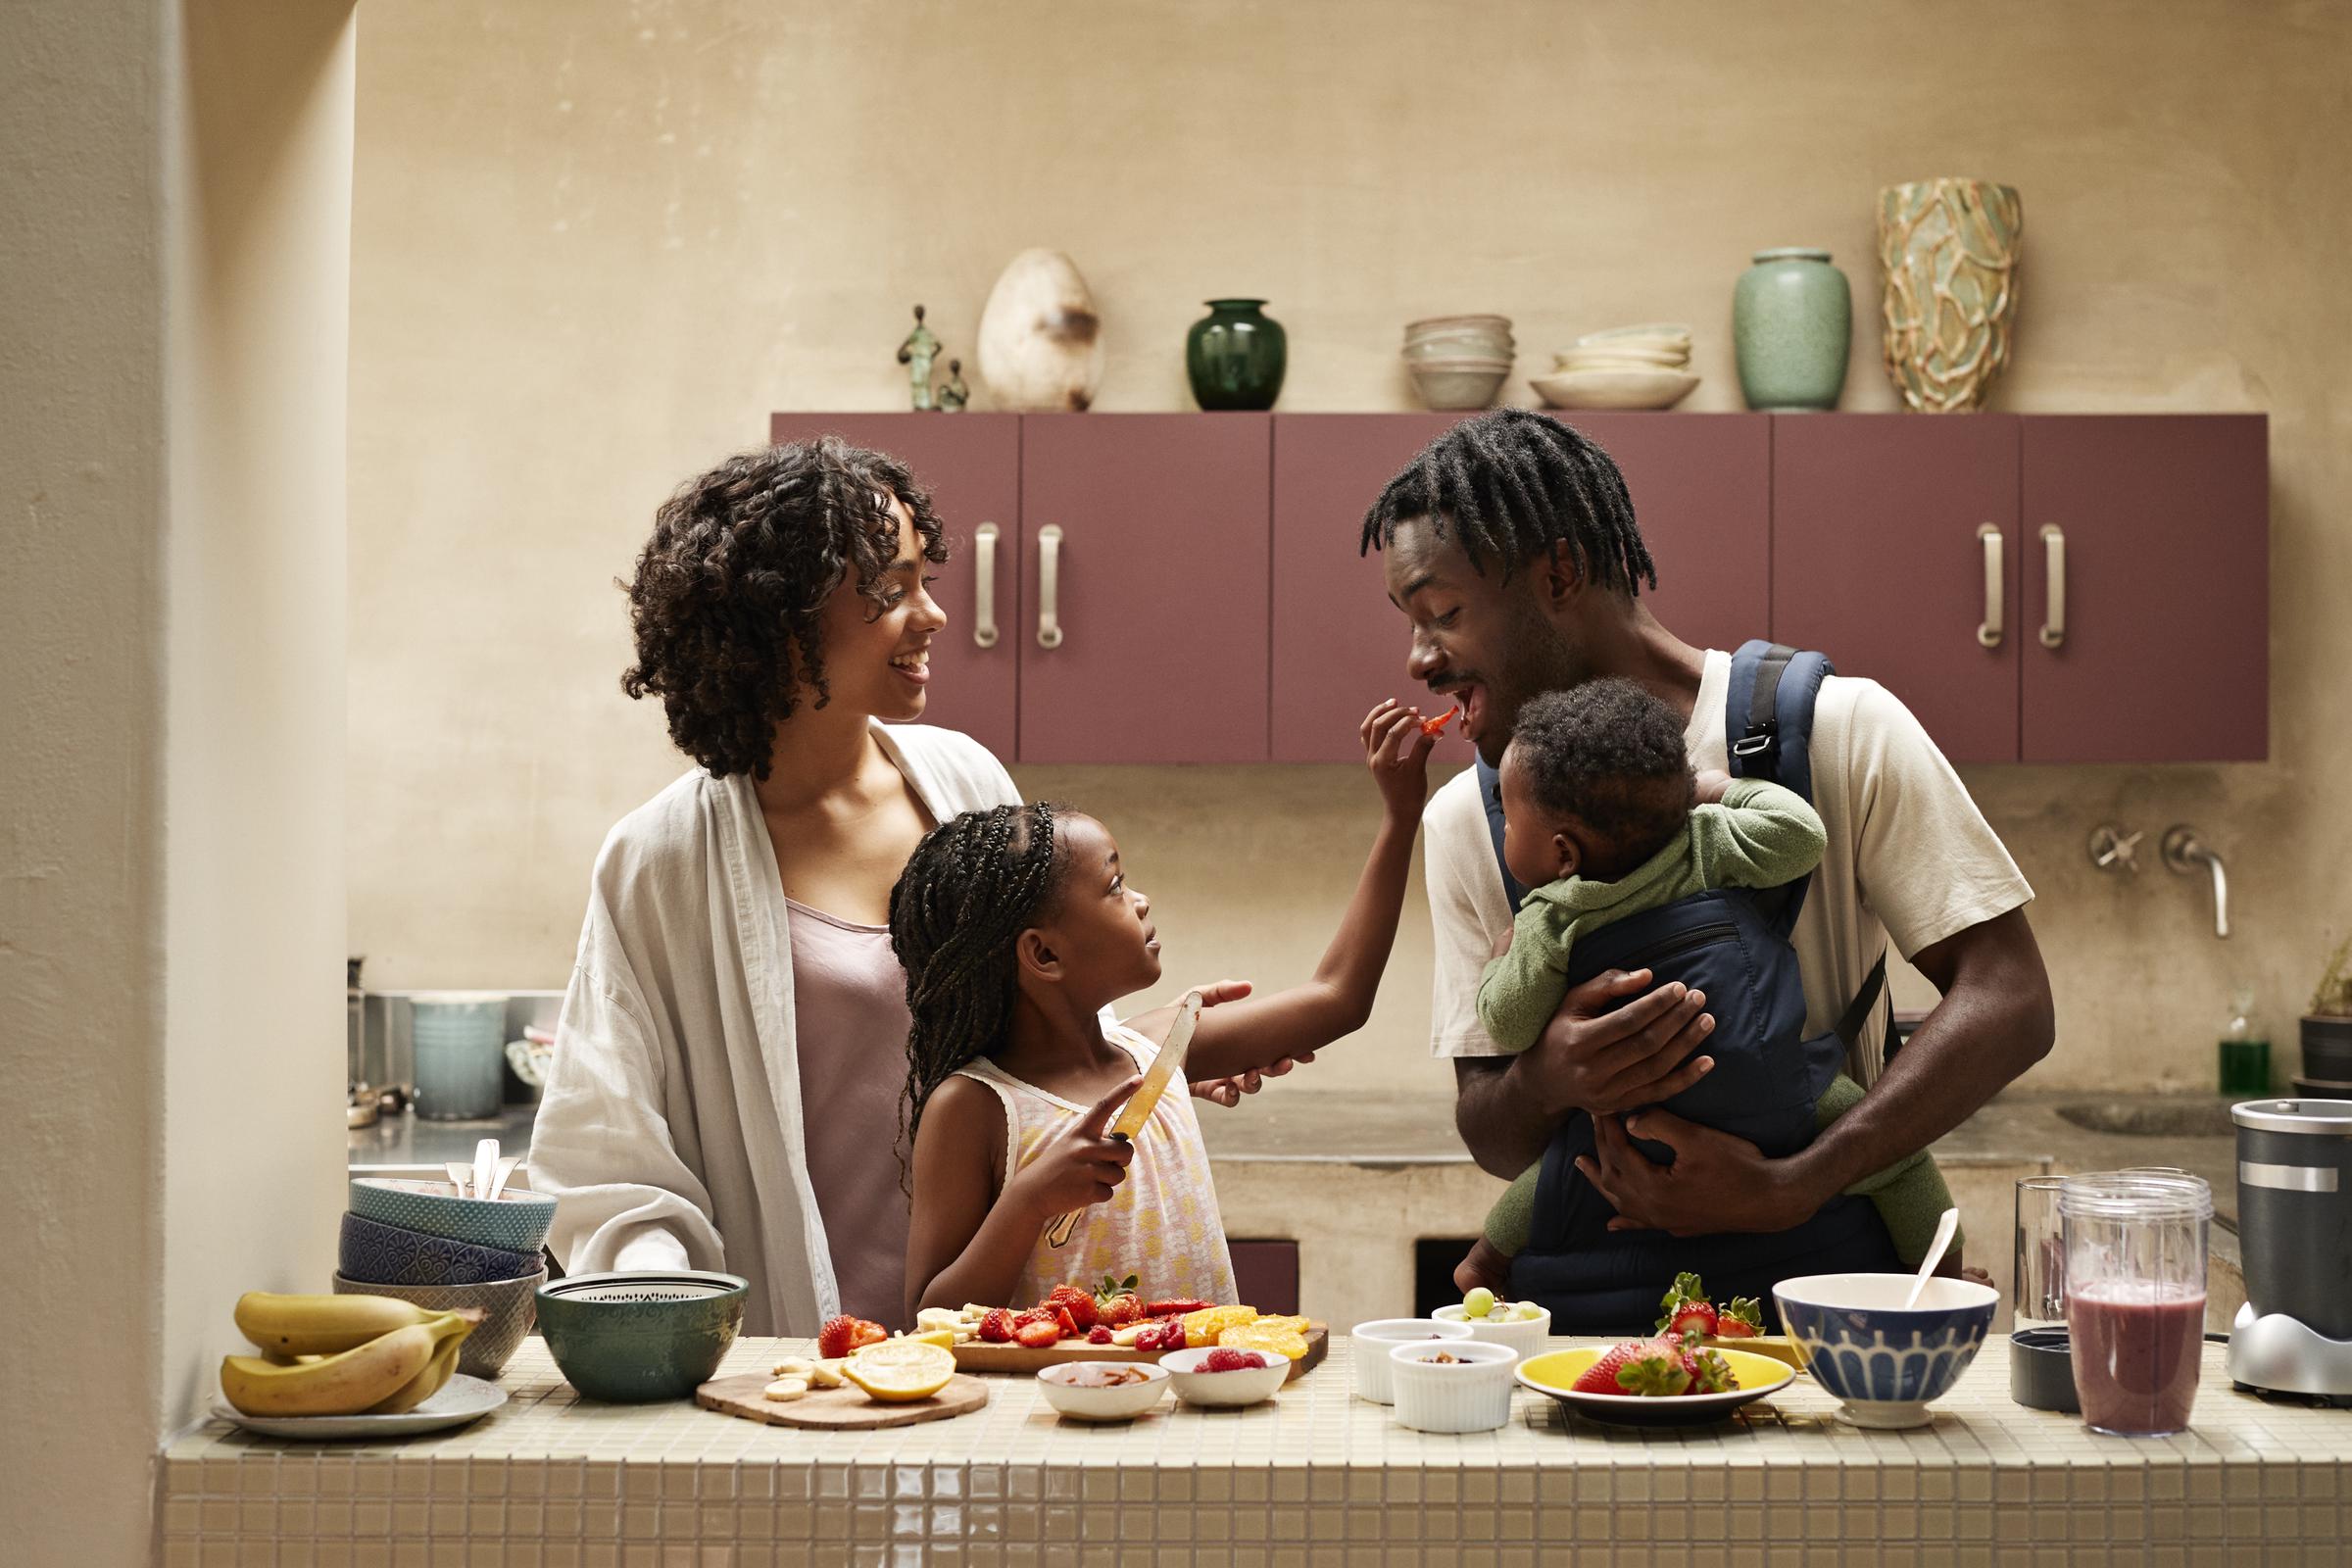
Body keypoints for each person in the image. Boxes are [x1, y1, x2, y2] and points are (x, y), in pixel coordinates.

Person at [531, 437, 1290, 1337]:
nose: (932, 616)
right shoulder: (661, 859)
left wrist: (1142, 1060)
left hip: (996, 1339)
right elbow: (606, 1147)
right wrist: (666, 1315)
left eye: (926, 579)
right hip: (800, 1352)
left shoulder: (964, 781)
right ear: (784, 621)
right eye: (892, 592)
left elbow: (1026, 1024)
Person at [1363, 410, 2052, 1326]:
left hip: (1827, 1324)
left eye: (1443, 614)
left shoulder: (1838, 730)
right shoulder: (1472, 818)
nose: (1418, 659)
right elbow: (1491, 1132)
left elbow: (2010, 999)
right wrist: (1551, 1076)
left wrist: (1797, 1181)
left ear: (1559, 574)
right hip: (1593, 1343)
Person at [893, 701, 1436, 1317]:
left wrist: (1400, 816)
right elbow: (925, 1317)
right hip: (1057, 1410)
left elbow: (1338, 999)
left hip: (1195, 1397)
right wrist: (1027, 1203)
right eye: (1115, 886)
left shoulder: (1157, 1054)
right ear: (1043, 953)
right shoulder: (973, 1107)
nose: (1141, 900)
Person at [1454, 680, 1956, 1299]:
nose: (1502, 836)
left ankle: (1484, 1262)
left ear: (1562, 855)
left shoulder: (1552, 916)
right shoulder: (1702, 842)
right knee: (1896, 1160)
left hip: (1641, 1111)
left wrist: (1498, 962)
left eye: (1507, 820)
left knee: (1563, 1171)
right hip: (1778, 1084)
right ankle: (1942, 1273)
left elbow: (1507, 1022)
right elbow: (1802, 837)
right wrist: (1719, 789)